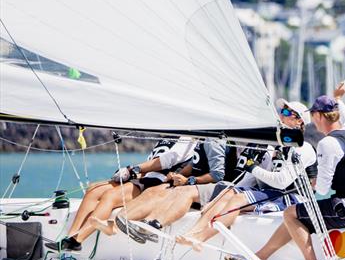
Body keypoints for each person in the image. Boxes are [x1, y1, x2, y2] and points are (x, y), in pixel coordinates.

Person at [226, 89, 345, 260]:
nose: (313, 121)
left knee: (290, 213)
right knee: (296, 214)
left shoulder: (328, 143)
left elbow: (322, 189)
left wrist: (315, 181)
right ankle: (259, 259)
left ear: (318, 115)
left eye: (313, 116)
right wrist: (338, 98)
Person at [175, 99, 318, 249]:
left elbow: (281, 182)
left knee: (238, 200)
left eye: (287, 113)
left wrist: (252, 167)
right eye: (282, 112)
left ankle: (200, 238)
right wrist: (221, 197)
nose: (281, 116)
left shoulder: (304, 148)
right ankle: (192, 233)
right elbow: (253, 178)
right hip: (274, 194)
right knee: (229, 195)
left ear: (300, 122)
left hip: (295, 199)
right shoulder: (277, 147)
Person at [45, 138, 196, 251]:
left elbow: (164, 162)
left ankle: (77, 241)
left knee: (110, 196)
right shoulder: (168, 138)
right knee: (93, 190)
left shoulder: (189, 140)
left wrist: (132, 169)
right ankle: (69, 238)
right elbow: (152, 163)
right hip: (144, 178)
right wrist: (133, 174)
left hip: (157, 183)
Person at [113, 138, 226, 242]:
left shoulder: (213, 141)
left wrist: (188, 180)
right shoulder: (203, 138)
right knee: (155, 189)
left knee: (167, 192)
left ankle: (147, 226)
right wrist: (176, 176)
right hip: (193, 182)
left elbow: (218, 175)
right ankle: (126, 219)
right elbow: (195, 163)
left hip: (205, 187)